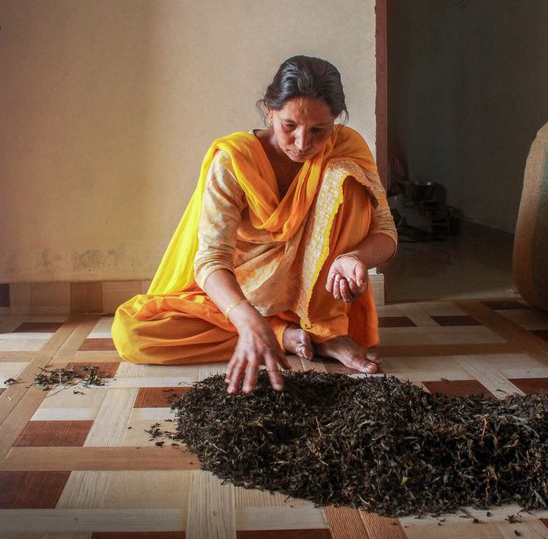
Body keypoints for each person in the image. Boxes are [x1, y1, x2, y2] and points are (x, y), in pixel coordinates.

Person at [112, 55, 397, 394]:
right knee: (134, 335)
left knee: (345, 176)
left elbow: (386, 232)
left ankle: (324, 332)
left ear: (335, 122)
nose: (303, 143)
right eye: (289, 126)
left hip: (312, 295)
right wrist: (246, 317)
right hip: (244, 292)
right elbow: (210, 259)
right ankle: (278, 333)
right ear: (269, 111)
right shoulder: (235, 161)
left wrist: (356, 258)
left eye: (318, 130)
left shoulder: (346, 149)